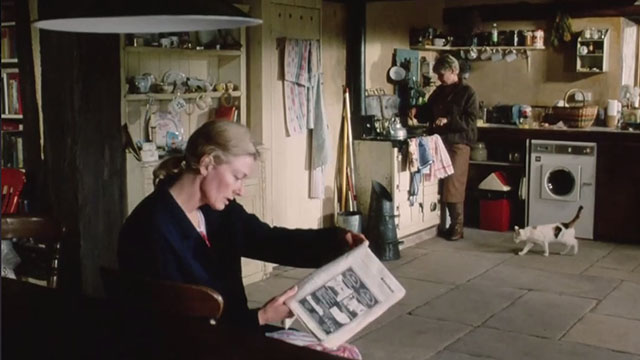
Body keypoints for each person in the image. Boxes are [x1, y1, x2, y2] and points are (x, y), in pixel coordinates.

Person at [118, 121, 366, 333]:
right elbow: (172, 331)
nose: (241, 190)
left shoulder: (218, 213)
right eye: (237, 177)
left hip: (235, 334)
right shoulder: (149, 229)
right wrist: (263, 317)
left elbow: (270, 241)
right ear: (207, 164)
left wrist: (338, 241)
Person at [413, 54, 479, 241]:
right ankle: (442, 223)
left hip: (458, 143)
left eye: (442, 74)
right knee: (437, 183)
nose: (439, 78)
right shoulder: (440, 91)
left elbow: (471, 121)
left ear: (453, 71)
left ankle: (457, 226)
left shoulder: (468, 92)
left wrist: (449, 120)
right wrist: (417, 111)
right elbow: (428, 110)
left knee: (453, 184)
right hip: (438, 142)